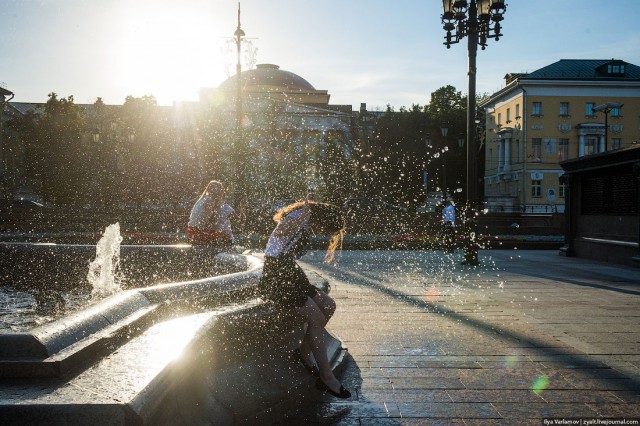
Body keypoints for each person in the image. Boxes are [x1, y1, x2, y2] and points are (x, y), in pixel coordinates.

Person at [258, 193, 350, 399]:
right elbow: (281, 232)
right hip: (277, 274)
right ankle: (326, 377)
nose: (324, 233)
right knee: (316, 318)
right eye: (326, 229)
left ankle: (303, 353)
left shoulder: (305, 219)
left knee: (328, 305)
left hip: (289, 270)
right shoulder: (298, 217)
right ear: (322, 220)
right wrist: (303, 215)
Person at [187, 180, 234, 246]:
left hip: (193, 233)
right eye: (222, 191)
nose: (223, 194)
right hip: (199, 234)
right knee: (227, 236)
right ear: (219, 192)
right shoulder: (210, 201)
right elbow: (203, 222)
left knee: (224, 234)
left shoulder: (202, 200)